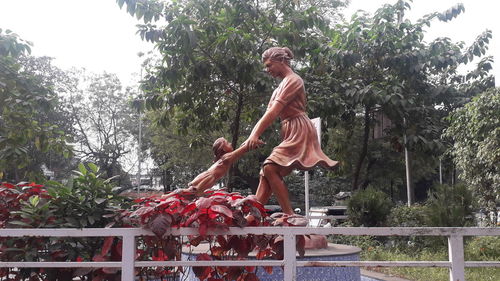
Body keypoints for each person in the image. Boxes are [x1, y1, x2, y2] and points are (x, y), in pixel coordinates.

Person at [242, 47, 339, 215]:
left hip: (300, 127)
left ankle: (290, 215)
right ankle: (252, 217)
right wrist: (256, 133)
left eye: (269, 65)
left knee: (270, 168)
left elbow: (274, 112)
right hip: (289, 128)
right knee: (266, 173)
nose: (267, 70)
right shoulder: (278, 88)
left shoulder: (293, 80)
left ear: (281, 61)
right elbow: (268, 113)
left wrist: (254, 133)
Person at [187, 137, 259, 195]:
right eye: (227, 143)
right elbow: (243, 149)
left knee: (195, 193)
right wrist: (253, 141)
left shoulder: (225, 157)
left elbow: (240, 150)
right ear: (224, 148)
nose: (230, 143)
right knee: (195, 193)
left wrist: (250, 142)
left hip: (208, 176)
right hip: (209, 177)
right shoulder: (227, 157)